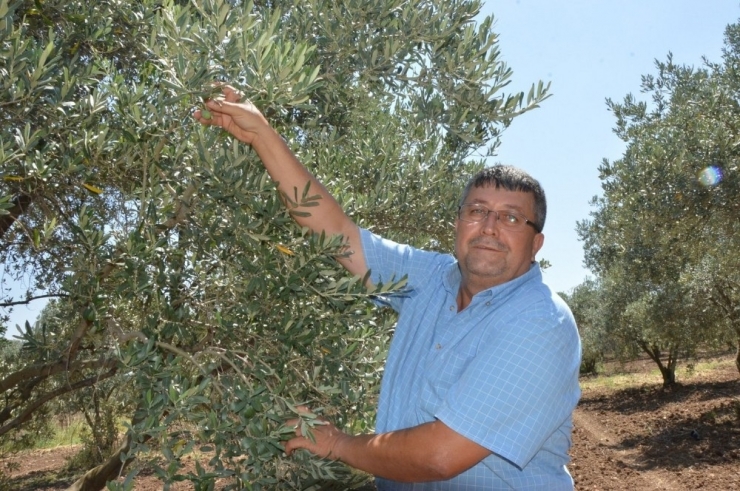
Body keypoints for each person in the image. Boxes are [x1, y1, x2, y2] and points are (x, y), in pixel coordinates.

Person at [194, 85, 581, 490]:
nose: (489, 227)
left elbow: (439, 455)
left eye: (511, 218)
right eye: (477, 211)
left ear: (536, 243)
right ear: (458, 223)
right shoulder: (432, 278)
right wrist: (261, 135)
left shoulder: (541, 322)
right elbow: (337, 231)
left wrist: (340, 444)